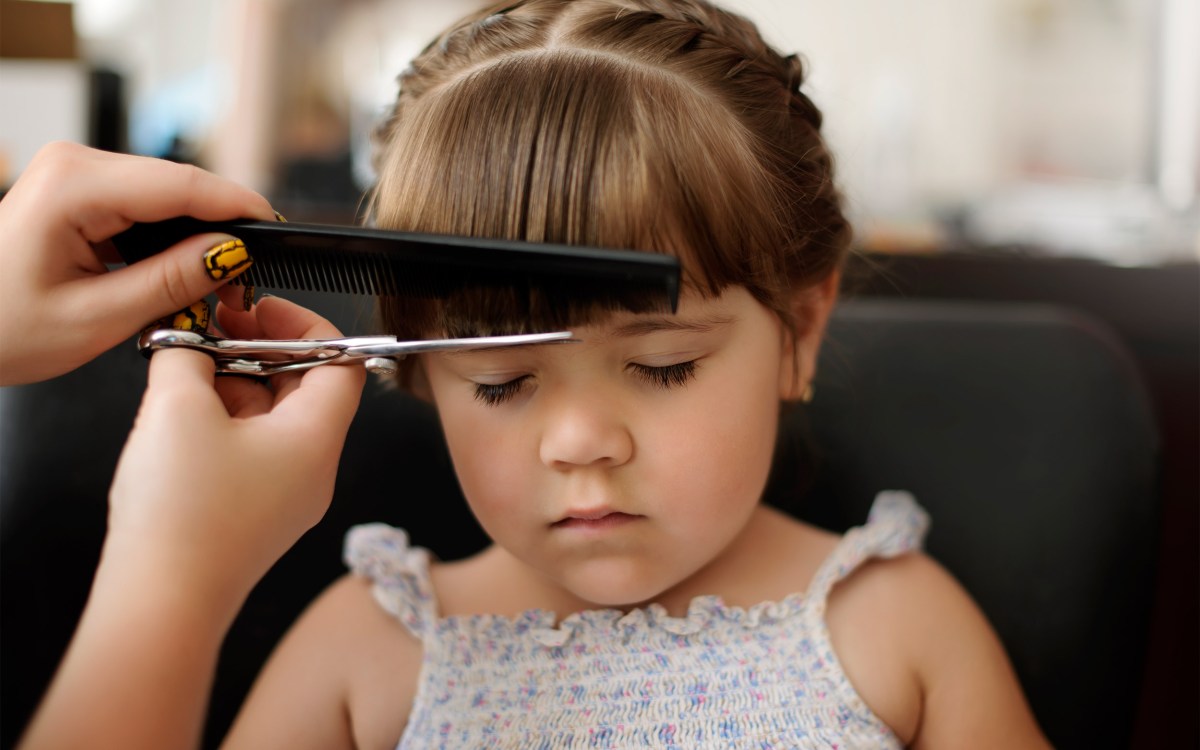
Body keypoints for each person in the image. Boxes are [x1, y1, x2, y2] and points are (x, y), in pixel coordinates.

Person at [11, 1, 1050, 748]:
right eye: (503, 382)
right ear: (416, 370)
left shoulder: (896, 630)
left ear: (800, 329)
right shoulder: (368, 658)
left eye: (664, 366)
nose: (579, 441)